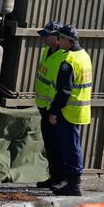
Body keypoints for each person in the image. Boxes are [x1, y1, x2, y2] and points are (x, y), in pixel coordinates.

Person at [48, 25, 92, 196]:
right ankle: (72, 182)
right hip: (79, 109)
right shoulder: (84, 55)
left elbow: (64, 90)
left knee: (70, 147)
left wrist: (54, 111)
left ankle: (74, 184)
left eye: (60, 38)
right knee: (73, 146)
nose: (58, 41)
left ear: (67, 39)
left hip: (69, 111)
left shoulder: (69, 61)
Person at [34, 21, 66, 189]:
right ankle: (54, 176)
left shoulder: (64, 56)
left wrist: (55, 108)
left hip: (55, 108)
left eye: (48, 35)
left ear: (58, 37)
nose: (44, 38)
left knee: (58, 144)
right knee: (50, 145)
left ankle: (62, 177)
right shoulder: (47, 51)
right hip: (44, 106)